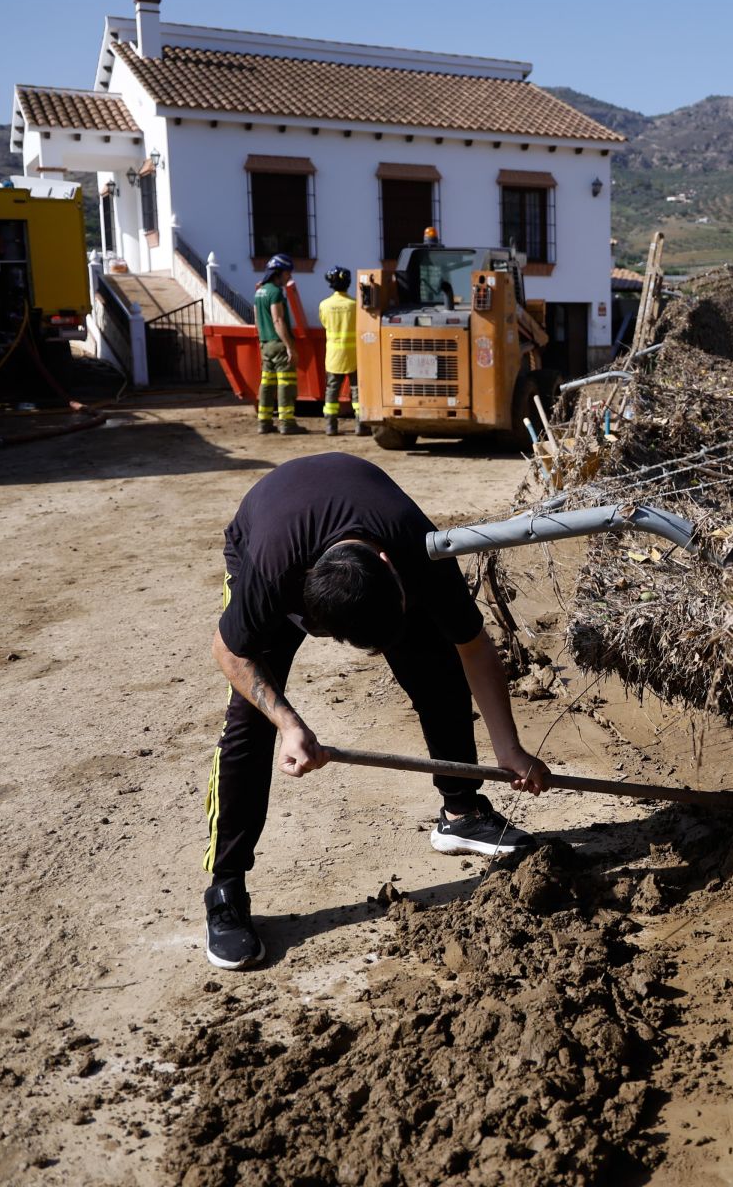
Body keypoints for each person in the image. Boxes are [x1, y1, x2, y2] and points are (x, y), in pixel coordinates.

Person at [202, 452, 551, 969]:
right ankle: (226, 888)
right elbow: (228, 650)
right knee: (250, 723)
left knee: (437, 670)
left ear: (391, 571)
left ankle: (461, 813)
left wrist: (510, 749)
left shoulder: (420, 549)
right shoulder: (272, 569)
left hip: (367, 539)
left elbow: (474, 647)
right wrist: (290, 723)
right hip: (268, 525)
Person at [253, 255, 305, 435]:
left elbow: (257, 320)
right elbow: (278, 319)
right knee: (286, 384)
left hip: (266, 344)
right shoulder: (275, 292)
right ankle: (286, 423)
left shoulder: (259, 292)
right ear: (278, 273)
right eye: (287, 273)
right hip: (278, 344)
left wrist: (262, 341)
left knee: (267, 384)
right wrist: (290, 346)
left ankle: (264, 422)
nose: (289, 277)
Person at [318, 266, 367, 437]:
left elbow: (324, 324)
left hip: (333, 356)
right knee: (357, 390)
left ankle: (331, 426)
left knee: (332, 390)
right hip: (354, 355)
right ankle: (360, 426)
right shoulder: (355, 305)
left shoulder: (324, 305)